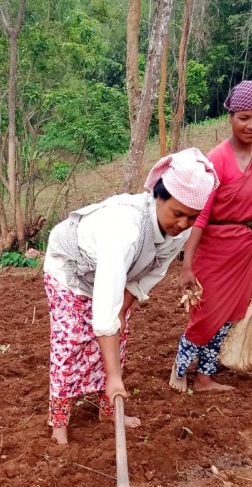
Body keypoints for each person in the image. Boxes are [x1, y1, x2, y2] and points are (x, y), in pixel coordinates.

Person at [42, 148, 219, 445]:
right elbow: (103, 311)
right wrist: (114, 376)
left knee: (117, 338)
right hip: (71, 269)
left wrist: (123, 309)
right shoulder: (124, 228)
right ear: (159, 197)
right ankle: (59, 421)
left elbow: (150, 273)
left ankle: (109, 410)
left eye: (192, 217)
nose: (182, 224)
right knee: (71, 343)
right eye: (177, 213)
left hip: (116, 275)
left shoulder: (181, 232)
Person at [169, 80, 252, 393]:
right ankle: (178, 371)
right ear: (230, 117)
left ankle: (204, 377)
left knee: (229, 315)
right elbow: (199, 217)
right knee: (206, 315)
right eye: (244, 117)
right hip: (215, 250)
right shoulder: (217, 160)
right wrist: (187, 267)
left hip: (244, 252)